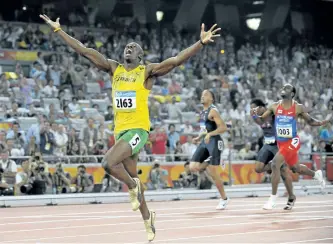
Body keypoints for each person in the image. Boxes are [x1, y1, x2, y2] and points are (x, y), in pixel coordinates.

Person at [40, 14, 221, 241]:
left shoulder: (146, 72)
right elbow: (84, 51)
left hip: (139, 131)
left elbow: (175, 60)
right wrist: (59, 30)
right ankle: (148, 219)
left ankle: (132, 185)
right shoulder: (113, 69)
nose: (129, 48)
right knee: (132, 176)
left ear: (140, 56)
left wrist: (200, 43)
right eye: (127, 46)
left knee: (107, 163)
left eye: (134, 47)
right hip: (121, 132)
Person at [251, 84, 328, 210]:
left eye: (287, 88)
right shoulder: (274, 106)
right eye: (283, 87)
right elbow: (261, 120)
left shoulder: (297, 107)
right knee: (295, 168)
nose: (283, 88)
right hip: (281, 143)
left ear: (292, 93)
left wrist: (320, 123)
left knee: (275, 163)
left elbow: (310, 121)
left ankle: (273, 198)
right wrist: (254, 115)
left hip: (292, 141)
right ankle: (316, 174)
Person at [250, 98, 296, 210]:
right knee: (258, 168)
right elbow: (260, 121)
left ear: (261, 107)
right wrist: (254, 115)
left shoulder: (273, 112)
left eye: (254, 109)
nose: (252, 111)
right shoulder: (259, 116)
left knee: (284, 172)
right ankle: (274, 165)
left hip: (279, 145)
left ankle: (291, 197)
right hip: (268, 145)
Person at [190, 90, 229, 210]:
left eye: (206, 94)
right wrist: (198, 137)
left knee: (213, 172)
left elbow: (223, 128)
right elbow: (205, 130)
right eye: (202, 94)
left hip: (215, 142)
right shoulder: (203, 113)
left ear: (212, 99)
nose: (202, 96)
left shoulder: (213, 111)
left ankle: (224, 199)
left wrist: (210, 134)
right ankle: (209, 160)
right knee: (193, 167)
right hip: (205, 141)